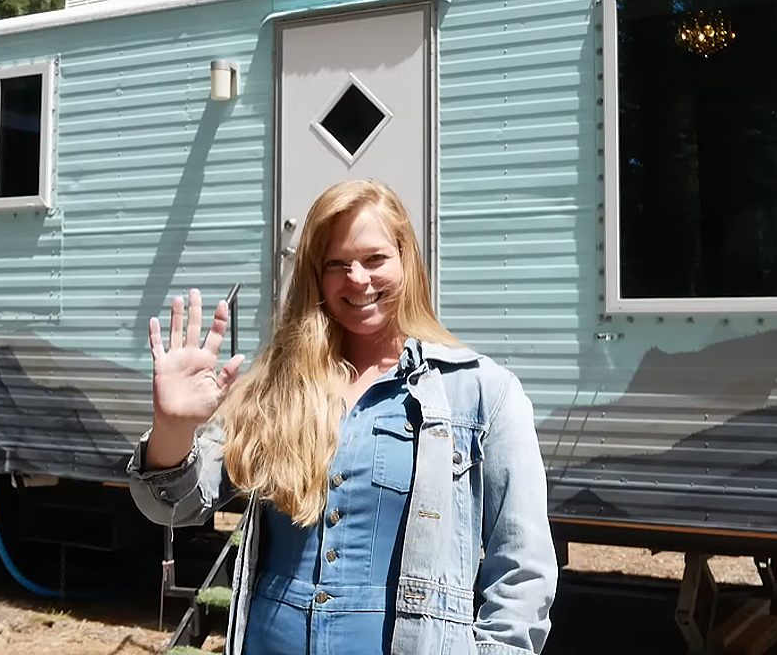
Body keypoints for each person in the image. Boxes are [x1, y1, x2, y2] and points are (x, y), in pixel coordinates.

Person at [127, 178, 558, 655]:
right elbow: (174, 506)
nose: (357, 278)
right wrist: (173, 426)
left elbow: (523, 570)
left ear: (406, 261)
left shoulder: (483, 392)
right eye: (337, 264)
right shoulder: (278, 386)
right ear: (316, 276)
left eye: (375, 259)